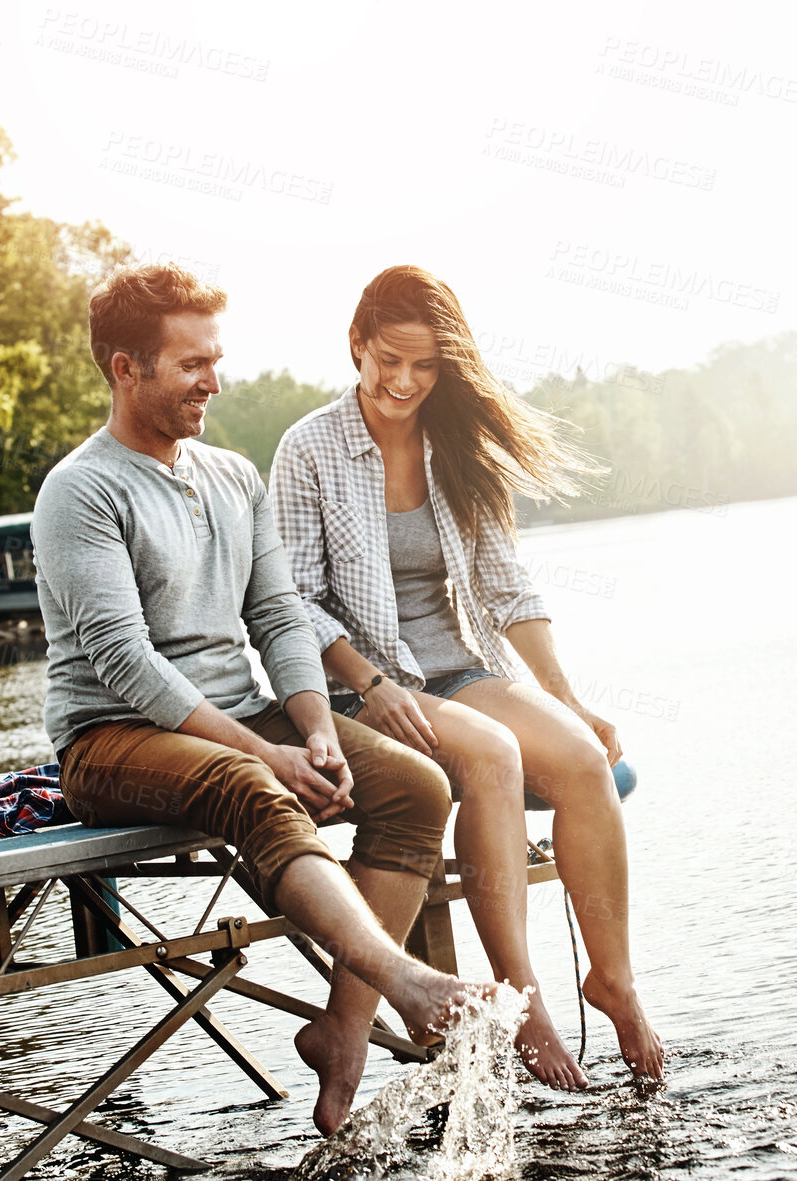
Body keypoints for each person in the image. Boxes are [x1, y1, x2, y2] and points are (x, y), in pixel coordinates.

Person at [31, 263, 488, 1136]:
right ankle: (406, 982)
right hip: (113, 738)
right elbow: (124, 662)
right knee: (255, 788)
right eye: (190, 363)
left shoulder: (234, 477)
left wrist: (315, 725)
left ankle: (343, 1029)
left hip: (243, 714)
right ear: (125, 368)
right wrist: (264, 754)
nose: (213, 380)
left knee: (417, 787)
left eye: (215, 358)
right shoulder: (80, 491)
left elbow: (279, 613)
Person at [269, 265, 664, 1089]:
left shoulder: (457, 444)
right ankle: (524, 1001)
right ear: (356, 344)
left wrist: (564, 697)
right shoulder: (308, 447)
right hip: (355, 684)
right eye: (388, 361)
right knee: (490, 756)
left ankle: (613, 977)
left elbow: (505, 585)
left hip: (457, 667)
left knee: (584, 761)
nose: (403, 382)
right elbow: (291, 601)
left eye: (423, 366)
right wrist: (374, 686)